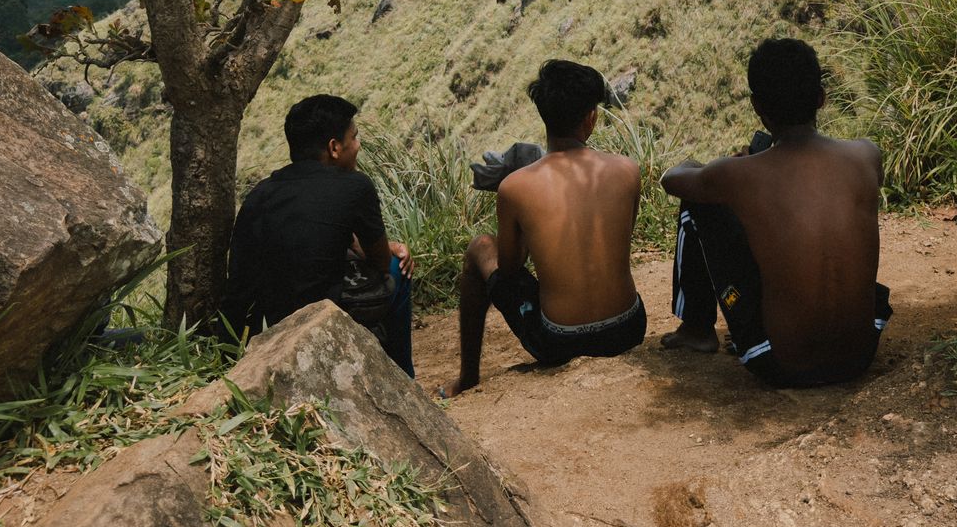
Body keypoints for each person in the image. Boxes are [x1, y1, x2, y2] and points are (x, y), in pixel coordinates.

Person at [660, 37, 892, 387]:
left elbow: (672, 180)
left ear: (757, 106)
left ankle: (696, 328)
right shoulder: (866, 155)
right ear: (821, 97)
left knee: (698, 203)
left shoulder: (739, 176)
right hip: (860, 355)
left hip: (782, 364)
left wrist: (710, 167)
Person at [448, 59, 646, 395]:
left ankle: (468, 377)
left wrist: (528, 233)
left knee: (481, 246)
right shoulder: (627, 169)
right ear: (591, 117)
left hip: (559, 340)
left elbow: (509, 269)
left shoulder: (516, 186)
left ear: (544, 114)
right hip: (628, 328)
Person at [220, 93, 415, 376]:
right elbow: (382, 263)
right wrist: (392, 248)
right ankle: (403, 378)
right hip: (318, 317)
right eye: (355, 138)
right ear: (334, 147)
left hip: (261, 322)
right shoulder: (355, 187)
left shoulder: (259, 195)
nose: (358, 146)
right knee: (400, 269)